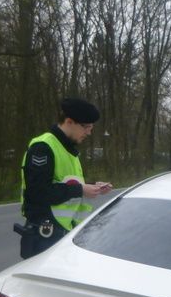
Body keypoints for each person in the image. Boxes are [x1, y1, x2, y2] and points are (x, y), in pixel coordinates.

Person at [18, 97, 112, 258]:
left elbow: (64, 183)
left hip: (62, 234)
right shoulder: (43, 147)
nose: (89, 132)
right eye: (86, 127)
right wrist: (80, 189)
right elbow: (38, 193)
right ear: (69, 122)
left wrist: (91, 186)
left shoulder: (68, 149)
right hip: (44, 236)